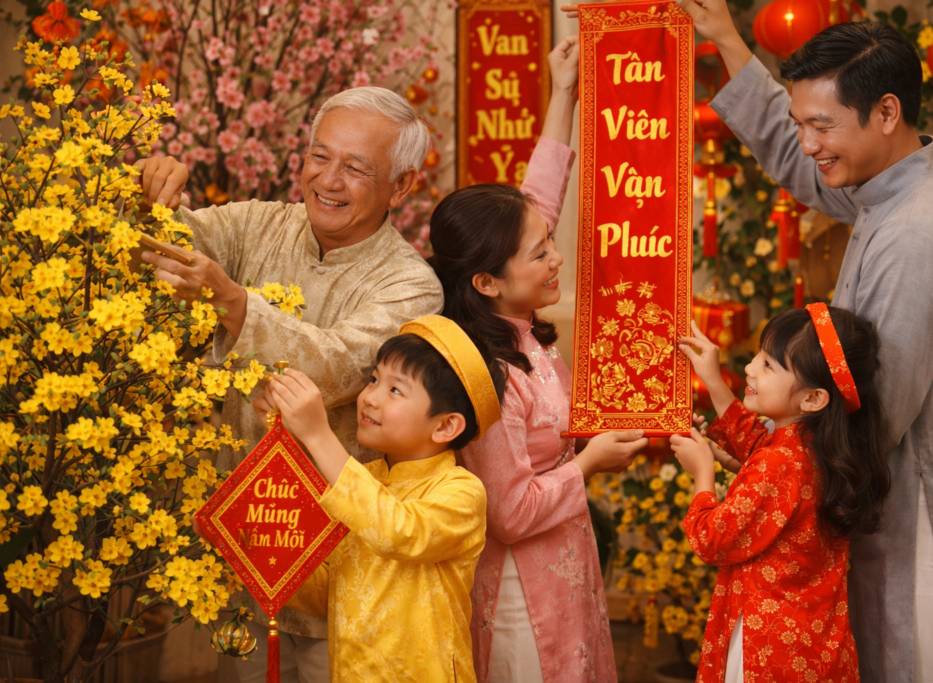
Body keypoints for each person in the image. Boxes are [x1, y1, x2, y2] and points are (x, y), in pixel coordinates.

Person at [671, 2, 933, 680]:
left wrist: (754, 460)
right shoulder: (895, 180)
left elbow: (867, 417)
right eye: (801, 122)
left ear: (886, 112)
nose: (808, 143)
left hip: (925, 523)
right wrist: (726, 39)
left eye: (821, 125)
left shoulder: (915, 233)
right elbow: (795, 157)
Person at [135, 86, 443, 682]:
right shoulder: (259, 224)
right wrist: (148, 193)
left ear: (401, 185)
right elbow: (168, 246)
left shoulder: (412, 286)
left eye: (355, 168)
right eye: (319, 156)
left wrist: (233, 302)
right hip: (245, 547)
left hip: (344, 569)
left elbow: (334, 367)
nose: (328, 179)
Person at [428, 38, 649, 680]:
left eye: (551, 242)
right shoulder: (488, 373)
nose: (556, 259)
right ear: (486, 281)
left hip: (567, 556)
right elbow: (510, 513)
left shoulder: (518, 323)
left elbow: (537, 201)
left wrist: (564, 92)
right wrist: (591, 462)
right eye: (540, 253)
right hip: (520, 590)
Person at [249, 315, 502, 682]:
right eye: (373, 380)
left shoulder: (461, 492)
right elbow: (326, 595)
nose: (369, 397)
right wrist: (250, 539)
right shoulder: (363, 480)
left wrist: (318, 436)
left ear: (446, 425)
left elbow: (398, 532)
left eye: (395, 390)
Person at [672, 305, 890, 682]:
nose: (750, 368)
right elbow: (759, 444)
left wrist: (702, 470)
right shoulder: (818, 447)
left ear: (812, 399)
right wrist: (713, 380)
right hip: (811, 646)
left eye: (768, 364)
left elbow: (711, 539)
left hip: (764, 650)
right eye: (758, 355)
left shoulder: (777, 462)